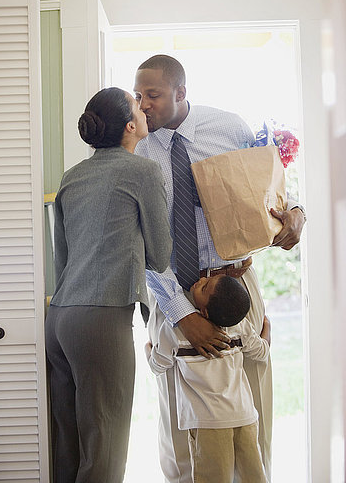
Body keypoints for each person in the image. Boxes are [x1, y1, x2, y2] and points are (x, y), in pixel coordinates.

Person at [134, 54, 306, 482]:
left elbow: (267, 190)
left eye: (152, 95)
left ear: (180, 93)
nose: (143, 105)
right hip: (170, 287)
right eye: (138, 96)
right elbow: (141, 242)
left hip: (234, 284)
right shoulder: (135, 146)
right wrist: (182, 314)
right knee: (178, 419)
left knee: (254, 403)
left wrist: (297, 212)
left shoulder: (229, 127)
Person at [45, 87, 172, 483]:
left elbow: (61, 260)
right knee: (106, 445)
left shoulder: (73, 176)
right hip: (101, 321)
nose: (144, 106)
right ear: (131, 126)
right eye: (138, 104)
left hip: (60, 318)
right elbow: (160, 256)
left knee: (69, 443)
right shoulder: (141, 171)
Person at [145, 274, 271, 483]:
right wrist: (268, 331)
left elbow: (159, 364)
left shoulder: (176, 330)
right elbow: (261, 352)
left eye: (204, 288)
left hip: (207, 424)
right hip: (245, 418)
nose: (201, 280)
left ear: (204, 311)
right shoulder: (239, 327)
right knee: (254, 477)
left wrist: (148, 350)